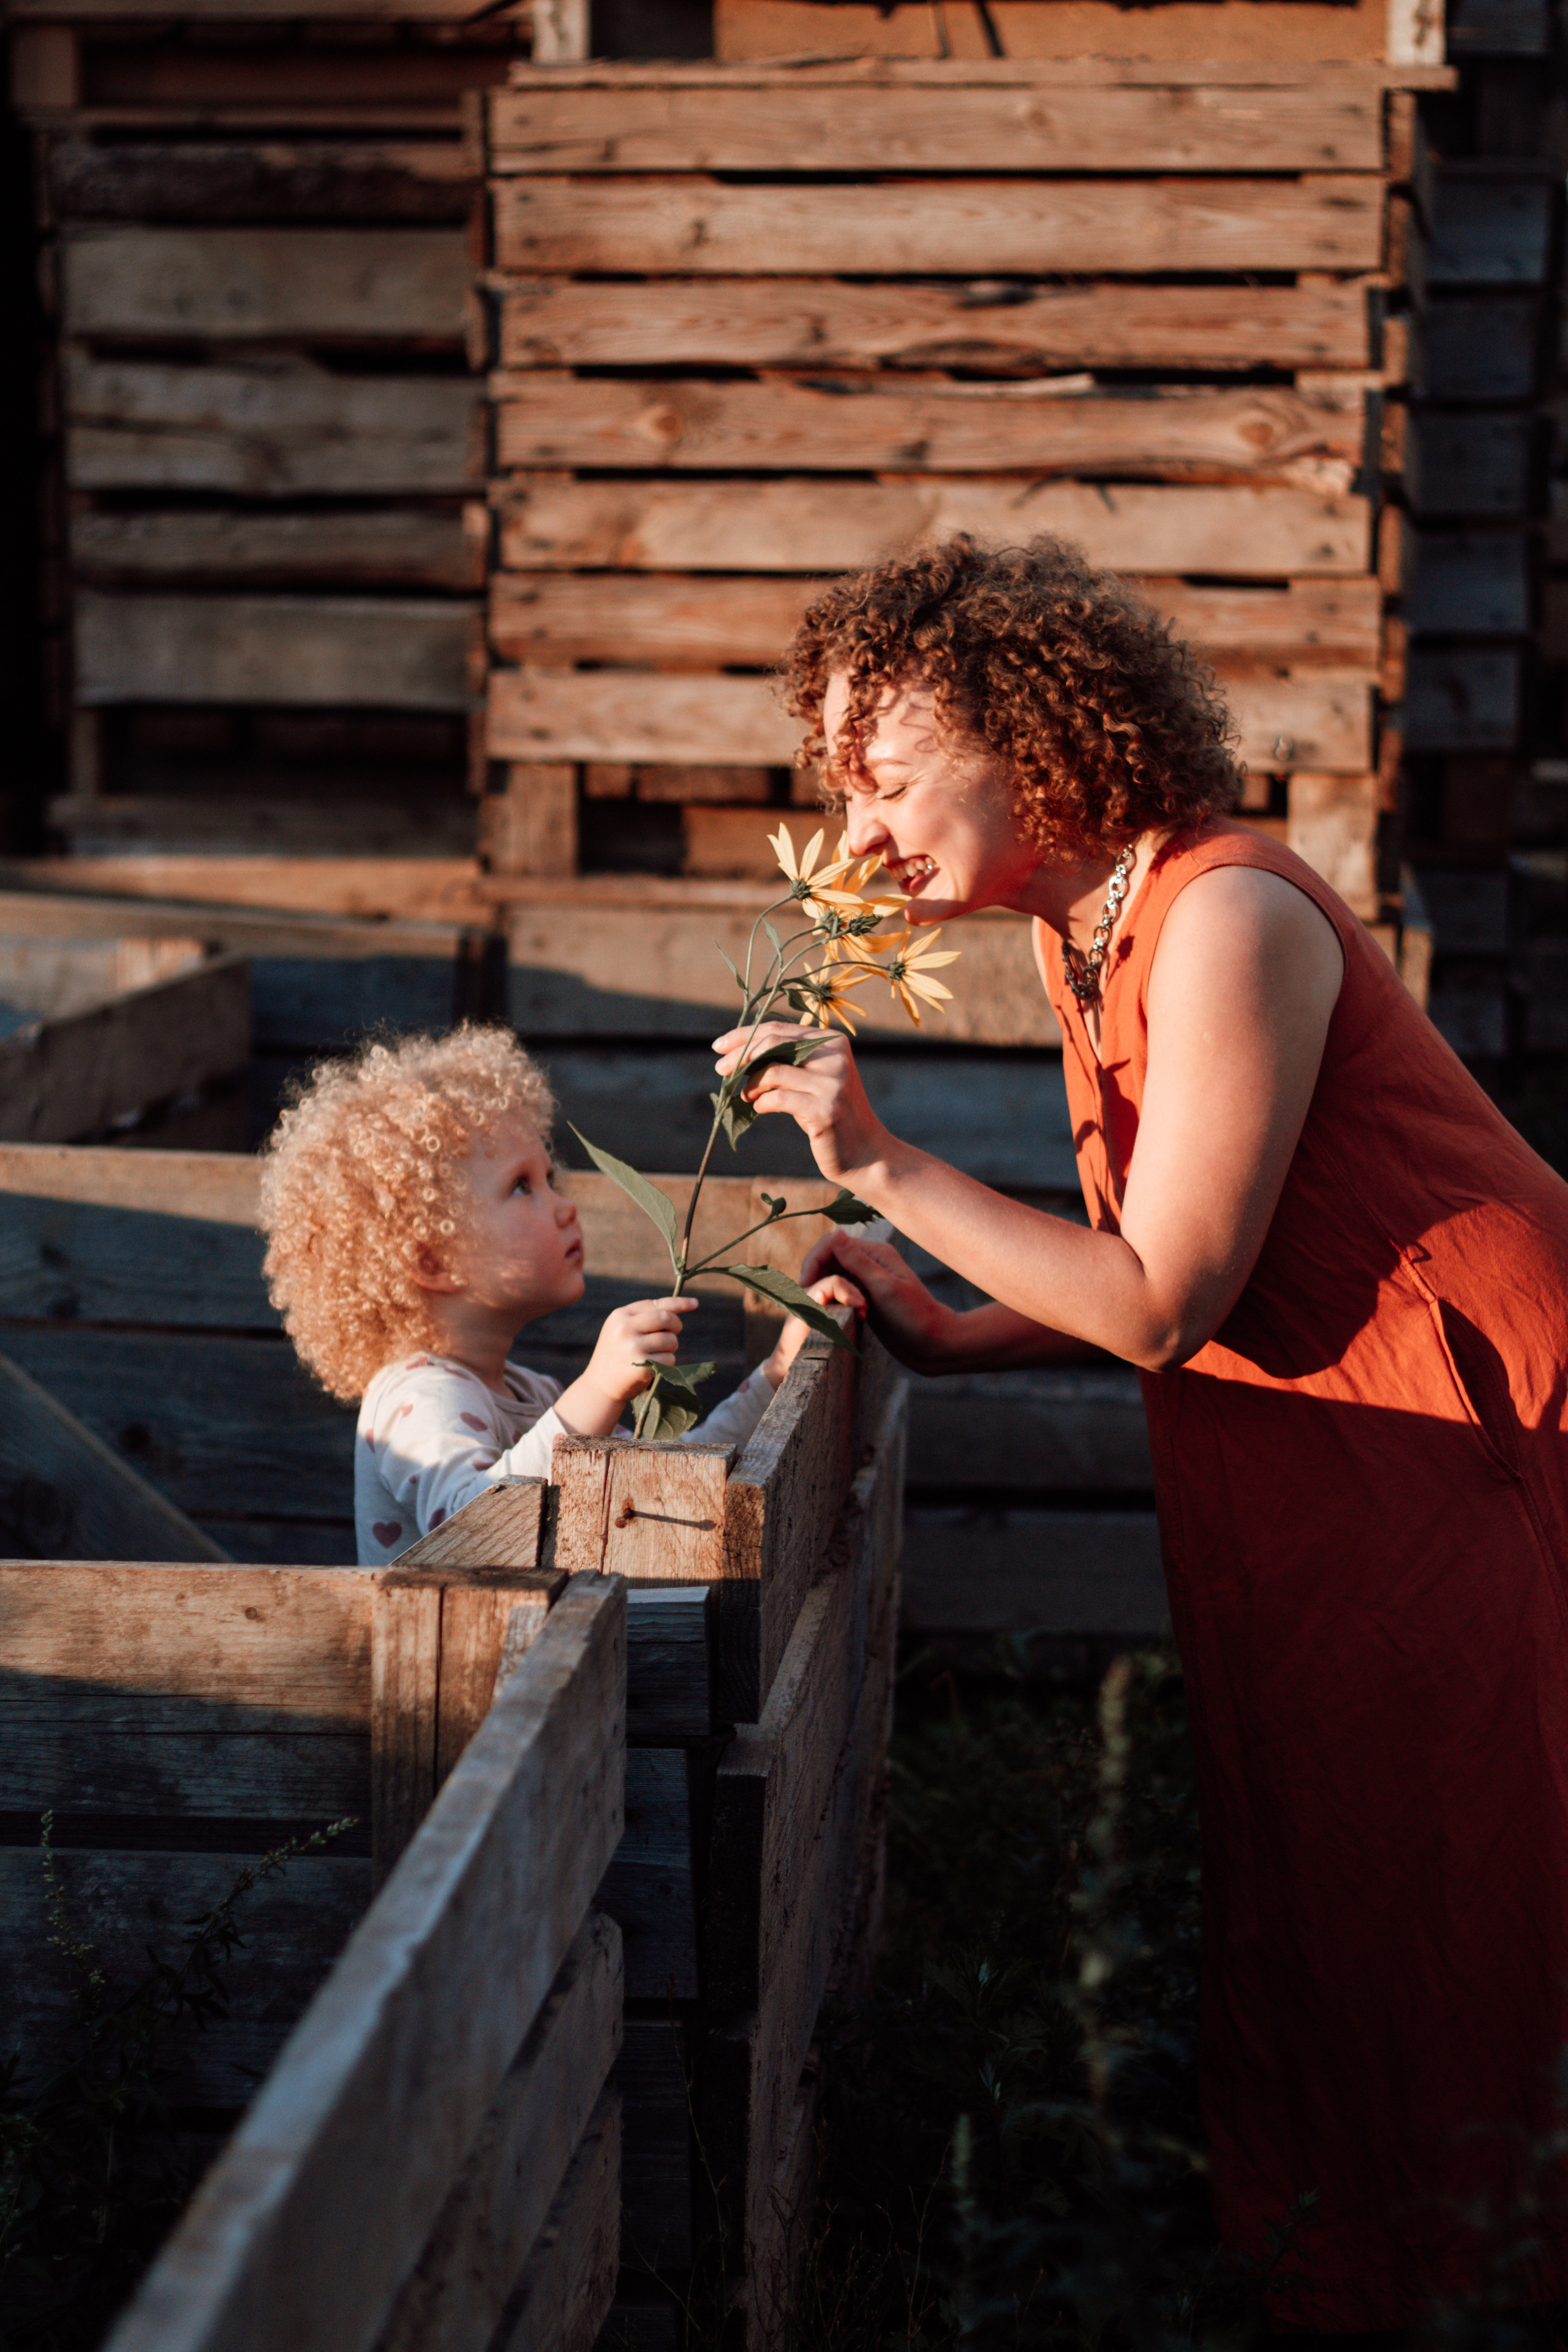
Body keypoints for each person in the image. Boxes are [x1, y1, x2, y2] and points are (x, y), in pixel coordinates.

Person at [715, 536, 1568, 2331]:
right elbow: (1185, 1238)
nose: (852, 831)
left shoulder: (1231, 913)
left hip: (1474, 1440)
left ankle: (1469, 2280)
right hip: (1334, 1451)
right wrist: (955, 1324)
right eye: (833, 788)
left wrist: (879, 1162)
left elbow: (1169, 1294)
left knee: (1460, 1892)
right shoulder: (1074, 927)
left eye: (880, 774)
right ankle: (1355, 2273)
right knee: (1331, 1866)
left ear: (1034, 733)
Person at [258, 1025, 856, 1565]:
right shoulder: (414, 1399)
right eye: (521, 1187)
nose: (564, 1206)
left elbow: (666, 1481)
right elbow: (474, 1534)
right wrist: (596, 1391)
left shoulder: (533, 1395)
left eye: (551, 1178)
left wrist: (775, 1376)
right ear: (433, 1260)